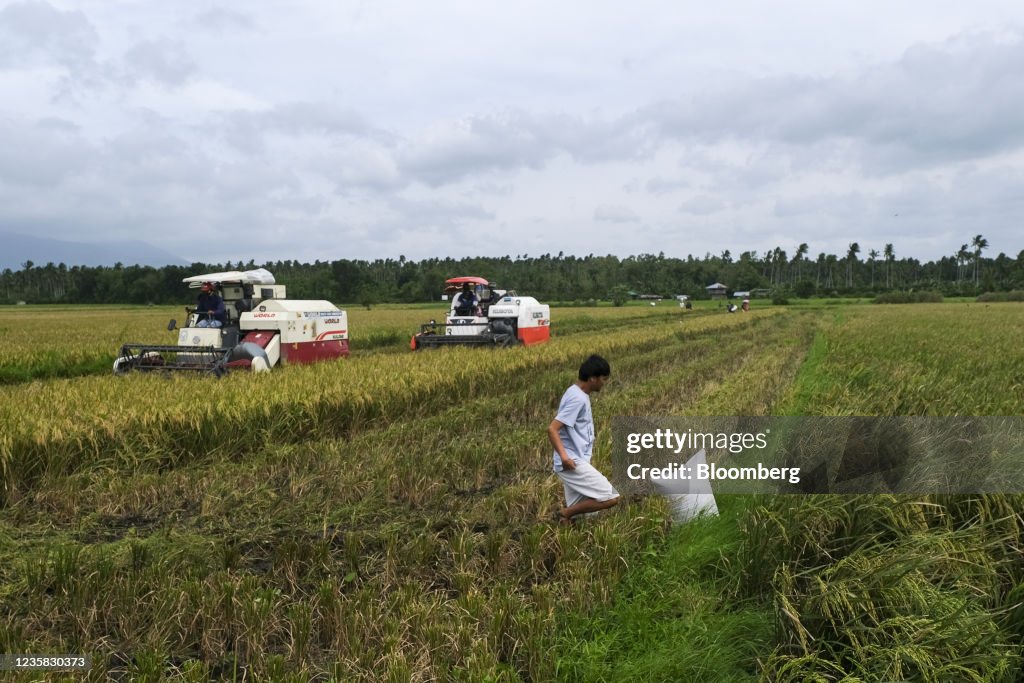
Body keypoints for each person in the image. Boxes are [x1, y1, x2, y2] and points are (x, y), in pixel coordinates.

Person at [548, 354, 620, 526]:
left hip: (575, 459)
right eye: (603, 379)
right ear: (593, 378)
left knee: (580, 515)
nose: (605, 382)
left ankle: (565, 528)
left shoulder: (576, 392)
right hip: (571, 461)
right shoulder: (577, 398)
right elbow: (552, 429)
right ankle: (563, 513)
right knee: (611, 497)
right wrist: (565, 457)